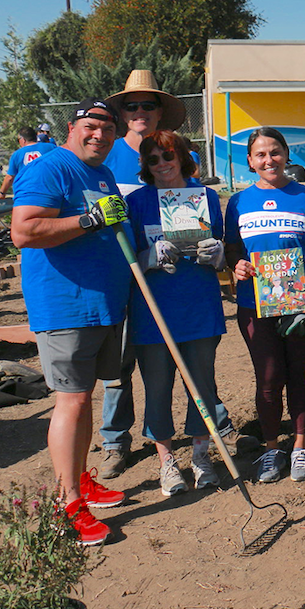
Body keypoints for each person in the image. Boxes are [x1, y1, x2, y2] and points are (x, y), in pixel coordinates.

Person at [10, 99, 131, 545]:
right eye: (91, 125)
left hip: (100, 305)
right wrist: (89, 218)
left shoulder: (100, 174)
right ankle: (68, 502)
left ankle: (79, 479)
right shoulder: (49, 168)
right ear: (72, 127)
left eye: (107, 128)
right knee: (71, 401)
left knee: (84, 399)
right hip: (65, 306)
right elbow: (24, 231)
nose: (99, 133)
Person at [126, 130, 234, 496]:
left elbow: (223, 248)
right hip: (154, 312)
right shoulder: (136, 202)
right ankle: (167, 462)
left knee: (202, 384)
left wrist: (218, 254)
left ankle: (201, 457)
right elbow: (126, 259)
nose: (162, 164)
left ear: (182, 156)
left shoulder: (205, 197)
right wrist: (148, 258)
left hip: (199, 305)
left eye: (167, 155)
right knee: (157, 387)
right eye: (153, 159)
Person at [94, 70, 190, 479]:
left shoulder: (175, 150)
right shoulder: (106, 156)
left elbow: (189, 206)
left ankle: (196, 432)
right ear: (121, 112)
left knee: (173, 357)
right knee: (117, 363)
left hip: (167, 276)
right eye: (130, 106)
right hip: (118, 273)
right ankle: (116, 440)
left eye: (147, 105)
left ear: (160, 112)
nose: (139, 113)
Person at [225, 127, 305, 483]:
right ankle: (272, 449)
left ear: (286, 154)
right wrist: (236, 265)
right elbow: (232, 250)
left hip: (299, 301)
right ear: (251, 161)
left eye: (275, 152)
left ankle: (301, 446)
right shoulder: (238, 202)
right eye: (260, 154)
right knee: (268, 379)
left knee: (298, 373)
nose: (268, 160)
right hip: (253, 304)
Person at [1, 126, 56, 197]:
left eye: (18, 140)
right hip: (50, 193)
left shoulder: (17, 154)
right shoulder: (51, 148)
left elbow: (10, 178)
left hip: (26, 195)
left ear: (23, 140)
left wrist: (2, 192)